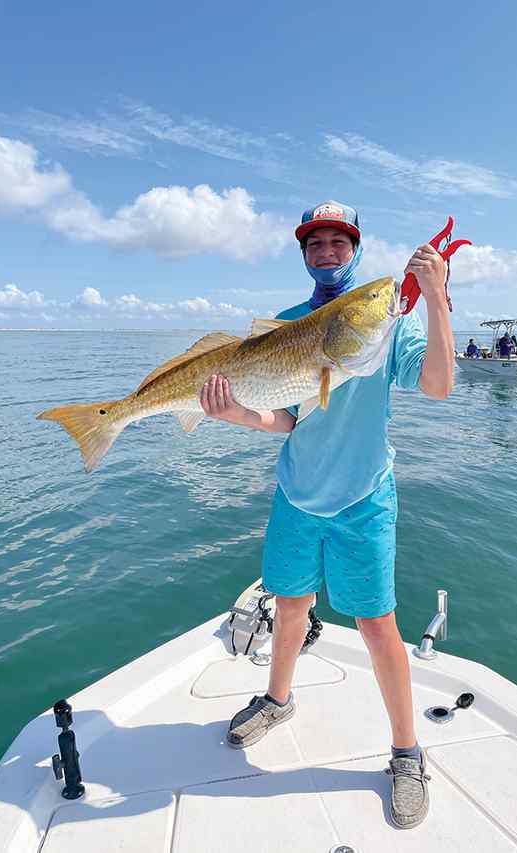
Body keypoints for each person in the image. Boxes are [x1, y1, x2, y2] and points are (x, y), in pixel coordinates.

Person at [199, 200, 454, 830]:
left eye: (339, 242)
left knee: (377, 624)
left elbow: (439, 385)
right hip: (296, 494)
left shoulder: (387, 324)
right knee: (290, 606)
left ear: (356, 248)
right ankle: (277, 699)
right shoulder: (288, 324)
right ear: (304, 254)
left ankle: (407, 752)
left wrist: (437, 299)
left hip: (364, 497)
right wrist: (234, 414)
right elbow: (284, 420)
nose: (328, 252)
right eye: (316, 243)